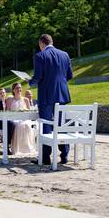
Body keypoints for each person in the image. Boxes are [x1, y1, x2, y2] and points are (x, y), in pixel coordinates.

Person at [29, 33, 73, 165]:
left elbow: (37, 77)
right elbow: (69, 75)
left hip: (46, 96)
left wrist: (30, 82)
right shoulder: (65, 55)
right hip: (62, 95)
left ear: (42, 43)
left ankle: (46, 158)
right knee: (62, 126)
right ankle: (64, 156)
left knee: (46, 126)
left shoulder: (40, 56)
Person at [4, 82, 36, 155]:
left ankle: (27, 147)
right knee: (18, 125)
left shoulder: (26, 100)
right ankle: (17, 148)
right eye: (17, 88)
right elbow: (7, 112)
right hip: (13, 118)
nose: (19, 89)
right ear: (13, 90)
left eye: (20, 88)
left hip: (24, 119)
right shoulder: (9, 100)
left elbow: (29, 112)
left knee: (26, 125)